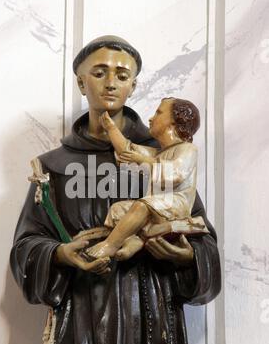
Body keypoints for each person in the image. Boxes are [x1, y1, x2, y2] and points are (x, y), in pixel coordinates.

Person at [10, 35, 221, 344]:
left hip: (152, 324)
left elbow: (200, 237)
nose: (111, 83)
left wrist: (185, 256)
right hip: (78, 322)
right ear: (81, 82)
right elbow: (26, 246)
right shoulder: (53, 167)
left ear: (134, 85)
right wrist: (60, 254)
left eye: (122, 75)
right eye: (100, 72)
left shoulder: (164, 158)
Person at [85, 99, 208, 261]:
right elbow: (128, 151)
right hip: (156, 207)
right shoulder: (159, 153)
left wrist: (142, 160)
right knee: (118, 210)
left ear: (174, 121)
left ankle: (110, 244)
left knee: (142, 205)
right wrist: (111, 128)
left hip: (175, 205)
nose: (151, 118)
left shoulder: (188, 149)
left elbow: (174, 174)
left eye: (158, 113)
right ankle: (133, 240)